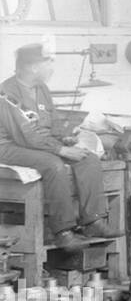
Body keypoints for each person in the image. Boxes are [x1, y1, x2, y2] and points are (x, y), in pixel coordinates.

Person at [0, 43, 113, 250]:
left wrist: (66, 137)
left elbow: (53, 120)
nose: (51, 68)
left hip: (37, 143)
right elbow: (25, 137)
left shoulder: (41, 88)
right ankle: (63, 232)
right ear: (33, 67)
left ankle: (93, 222)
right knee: (53, 165)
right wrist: (61, 150)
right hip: (9, 147)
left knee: (89, 159)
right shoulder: (7, 92)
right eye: (48, 63)